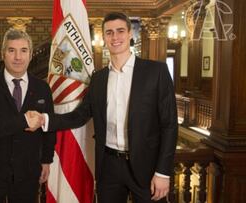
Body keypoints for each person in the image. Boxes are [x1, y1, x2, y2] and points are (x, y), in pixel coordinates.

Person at [26, 12, 178, 203]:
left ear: (131, 34)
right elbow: (79, 116)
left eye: (120, 31)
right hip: (109, 166)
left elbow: (169, 125)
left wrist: (163, 172)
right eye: (109, 33)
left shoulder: (156, 72)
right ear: (104, 37)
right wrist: (43, 119)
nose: (115, 37)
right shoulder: (98, 79)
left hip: (146, 167)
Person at [0, 28, 56, 203]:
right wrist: (23, 120)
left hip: (27, 172)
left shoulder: (42, 88)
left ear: (31, 54)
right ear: (3, 54)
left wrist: (47, 160)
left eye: (23, 50)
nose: (18, 57)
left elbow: (49, 127)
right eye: (12, 50)